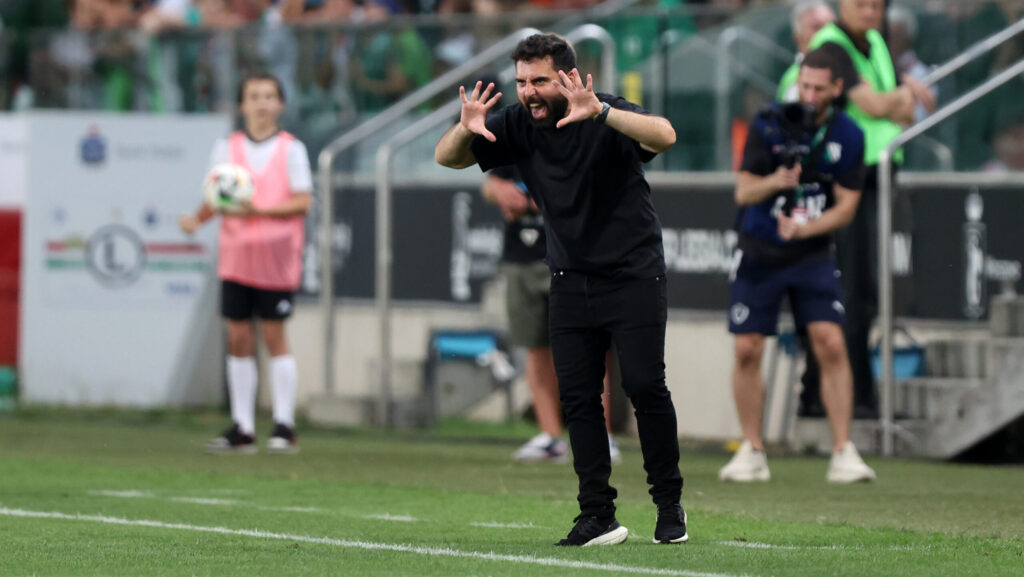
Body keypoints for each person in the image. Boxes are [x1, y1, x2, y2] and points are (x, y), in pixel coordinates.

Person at [436, 33, 686, 546]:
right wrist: (466, 129)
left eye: (540, 81)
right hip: (570, 277)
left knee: (643, 386)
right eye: (522, 81)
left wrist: (603, 113)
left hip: (634, 272)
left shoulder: (605, 112)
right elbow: (448, 158)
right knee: (578, 398)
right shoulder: (517, 123)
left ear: (568, 78)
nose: (528, 91)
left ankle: (669, 505)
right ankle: (597, 513)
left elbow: (664, 135)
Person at [720, 48, 876, 484]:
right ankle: (752, 449)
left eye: (817, 88)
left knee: (829, 341)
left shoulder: (849, 133)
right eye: (804, 84)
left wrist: (805, 231)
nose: (808, 94)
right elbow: (744, 192)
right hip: (759, 251)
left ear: (836, 89)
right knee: (748, 347)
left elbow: (846, 207)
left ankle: (843, 450)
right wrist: (776, 181)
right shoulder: (769, 121)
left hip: (810, 252)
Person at [803, 0, 935, 419]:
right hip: (842, 176)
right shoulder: (833, 44)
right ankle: (853, 397)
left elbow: (902, 110)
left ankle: (823, 394)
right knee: (851, 290)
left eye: (877, 4)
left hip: (876, 175)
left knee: (863, 289)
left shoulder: (876, 41)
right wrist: (901, 96)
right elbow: (879, 106)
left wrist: (896, 99)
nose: (871, 11)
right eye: (862, 3)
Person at [179, 72, 313, 454]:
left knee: (274, 335)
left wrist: (261, 209)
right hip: (237, 258)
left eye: (269, 96)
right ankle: (243, 426)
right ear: (243, 105)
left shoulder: (292, 149)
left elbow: (302, 201)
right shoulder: (227, 148)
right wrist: (196, 219)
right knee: (238, 337)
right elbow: (215, 197)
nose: (261, 104)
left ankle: (284, 424)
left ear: (280, 104)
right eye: (254, 96)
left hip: (275, 258)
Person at [482, 166, 621, 465]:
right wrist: (501, 192)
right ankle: (550, 437)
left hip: (572, 254)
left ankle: (601, 437)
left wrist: (537, 200)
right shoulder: (506, 123)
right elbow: (489, 181)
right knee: (536, 346)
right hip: (520, 256)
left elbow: (594, 185)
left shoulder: (571, 124)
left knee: (588, 348)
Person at [778, 0, 836, 103]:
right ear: (797, 37)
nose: (828, 34)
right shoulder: (795, 81)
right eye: (817, 27)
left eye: (831, 26)